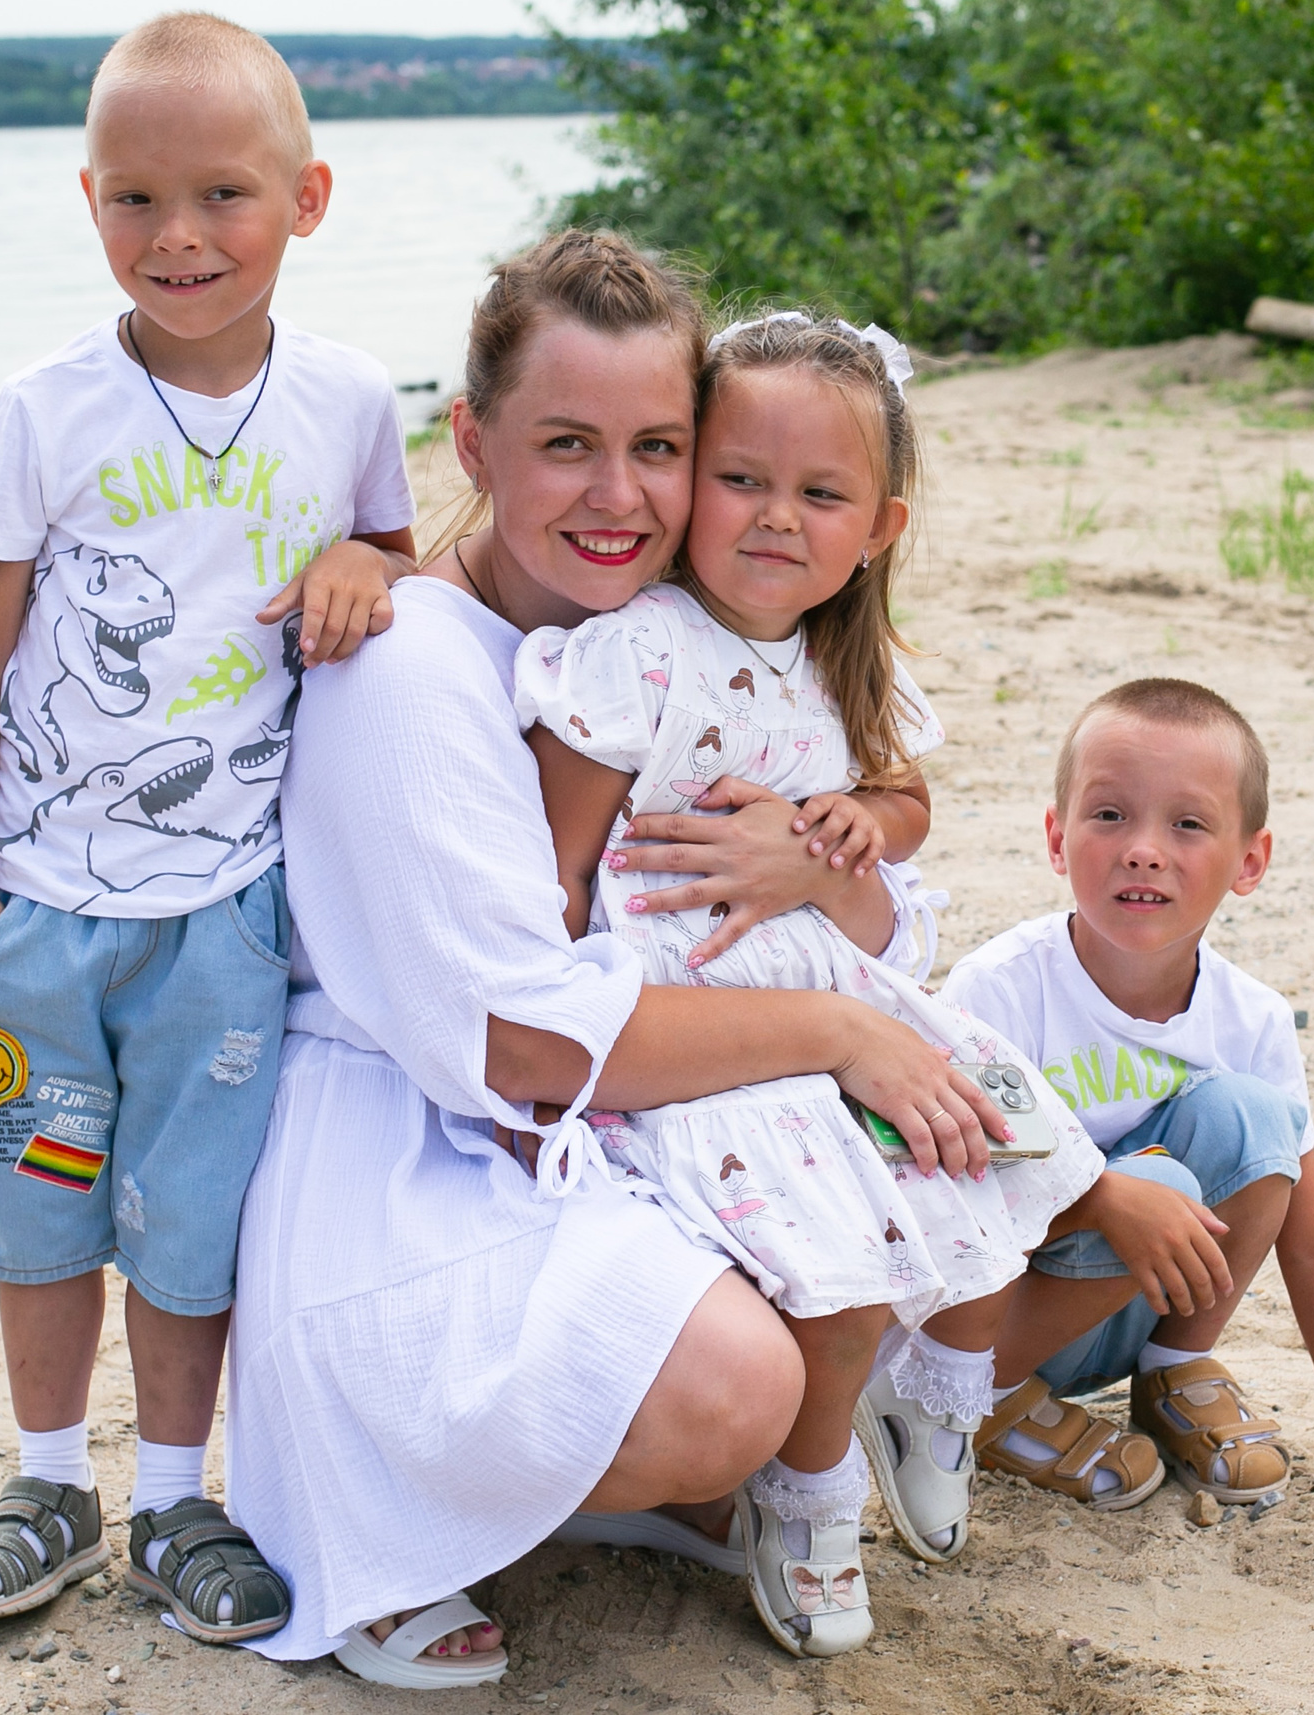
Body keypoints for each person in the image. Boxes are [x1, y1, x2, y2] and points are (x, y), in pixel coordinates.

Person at [225, 231, 1009, 1689]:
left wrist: (808, 867)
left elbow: (866, 875)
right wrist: (839, 1032)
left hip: (600, 1107)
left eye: (659, 446)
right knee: (742, 1381)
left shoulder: (649, 647)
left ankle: (635, 1480)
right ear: (471, 437)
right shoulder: (408, 668)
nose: (620, 495)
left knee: (904, 1197)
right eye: (566, 443)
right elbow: (523, 1046)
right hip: (420, 1151)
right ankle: (432, 1498)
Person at [0, 13, 417, 1642]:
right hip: (43, 908)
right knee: (45, 1194)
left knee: (190, 1223)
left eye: (223, 195)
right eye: (135, 200)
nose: (180, 237)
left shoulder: (346, 402)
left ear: (309, 197)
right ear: (88, 203)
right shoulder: (44, 409)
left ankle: (176, 1496)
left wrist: (371, 565)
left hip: (229, 909)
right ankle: (49, 1476)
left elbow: (410, 568)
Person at [512, 309, 1103, 1656]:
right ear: (691, 476)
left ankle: (938, 1395)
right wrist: (548, 1047)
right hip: (700, 1010)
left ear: (878, 524)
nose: (777, 517)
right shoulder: (641, 646)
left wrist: (854, 831)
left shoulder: (850, 655)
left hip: (831, 980)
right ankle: (809, 1485)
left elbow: (904, 796)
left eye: (819, 492)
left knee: (1001, 1147)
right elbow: (551, 869)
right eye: (742, 478)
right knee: (834, 1268)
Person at [939, 678, 1314, 1510]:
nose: (1143, 848)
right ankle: (986, 1405)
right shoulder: (998, 992)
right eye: (1109, 814)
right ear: (1056, 835)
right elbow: (953, 1215)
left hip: (1133, 1311)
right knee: (1154, 1183)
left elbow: (1313, 1242)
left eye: (1187, 823)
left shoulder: (1250, 1018)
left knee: (1253, 1119)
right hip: (991, 1327)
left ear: (1249, 860)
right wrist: (1105, 1199)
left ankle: (1174, 1369)